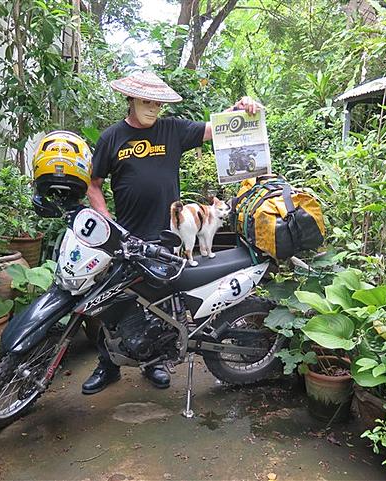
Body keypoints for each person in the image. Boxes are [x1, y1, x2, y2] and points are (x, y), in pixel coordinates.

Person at [82, 71, 262, 395]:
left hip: (169, 236)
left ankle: (154, 363)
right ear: (131, 100)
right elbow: (93, 185)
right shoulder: (112, 137)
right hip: (127, 238)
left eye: (157, 103)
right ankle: (107, 365)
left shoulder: (172, 129)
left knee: (162, 303)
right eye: (146, 102)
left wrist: (241, 109)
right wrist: (107, 223)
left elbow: (214, 130)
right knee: (114, 302)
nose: (152, 108)